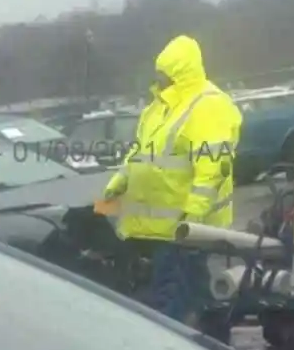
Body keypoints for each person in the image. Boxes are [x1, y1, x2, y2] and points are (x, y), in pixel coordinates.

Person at [102, 35, 243, 326]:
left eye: (164, 73)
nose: (159, 78)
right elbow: (141, 153)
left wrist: (192, 219)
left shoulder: (208, 105)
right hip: (155, 228)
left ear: (179, 71)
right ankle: (214, 337)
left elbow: (213, 167)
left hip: (179, 229)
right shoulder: (158, 107)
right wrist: (121, 179)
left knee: (171, 303)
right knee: (192, 291)